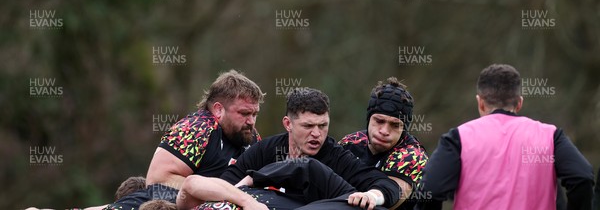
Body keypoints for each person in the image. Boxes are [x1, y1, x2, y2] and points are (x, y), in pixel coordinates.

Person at [177, 88, 400, 210]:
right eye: (308, 126)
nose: (317, 134)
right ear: (288, 124)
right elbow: (225, 185)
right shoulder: (264, 150)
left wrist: (373, 195)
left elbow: (387, 186)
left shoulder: (336, 156)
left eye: (323, 126)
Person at [415, 64, 594, 210]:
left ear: (480, 102)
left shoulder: (458, 137)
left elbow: (431, 188)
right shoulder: (551, 136)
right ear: (519, 103)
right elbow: (582, 177)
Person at [106, 70, 265, 210]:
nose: (251, 121)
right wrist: (215, 193)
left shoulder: (251, 136)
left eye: (255, 114)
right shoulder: (196, 128)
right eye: (244, 113)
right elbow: (157, 179)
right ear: (218, 109)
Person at [339, 78, 428, 209]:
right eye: (379, 121)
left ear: (404, 129)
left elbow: (389, 201)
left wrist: (372, 196)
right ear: (369, 119)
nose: (384, 131)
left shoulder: (413, 156)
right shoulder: (350, 142)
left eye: (395, 125)